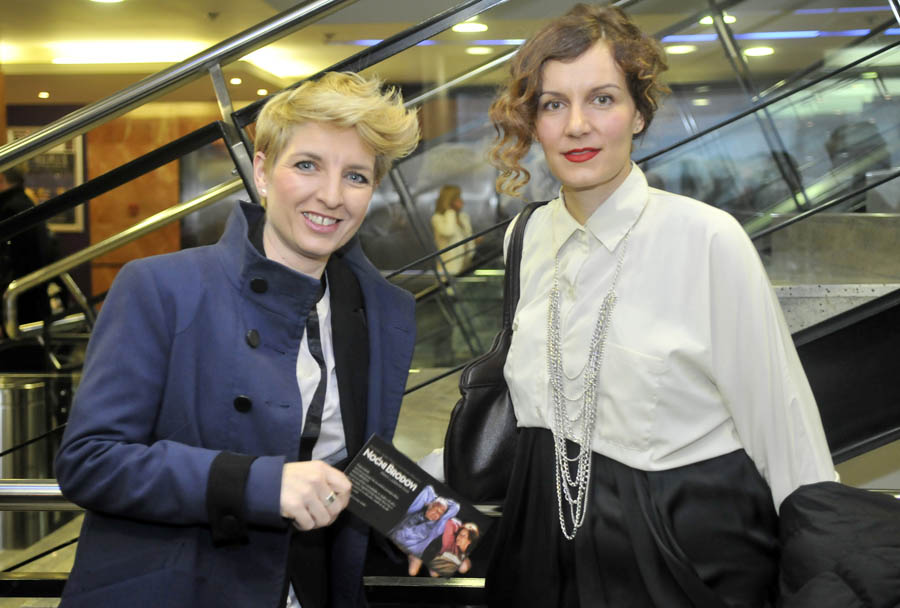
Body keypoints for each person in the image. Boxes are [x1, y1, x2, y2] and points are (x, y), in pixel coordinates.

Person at [483, 5, 835, 607]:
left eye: (602, 99)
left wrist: (827, 570)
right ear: (532, 122)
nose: (576, 126)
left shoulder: (707, 238)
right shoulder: (524, 238)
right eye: (552, 104)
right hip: (541, 536)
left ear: (639, 113)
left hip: (685, 543)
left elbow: (783, 425)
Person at [54, 71, 420, 608]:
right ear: (263, 171)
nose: (332, 195)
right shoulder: (161, 287)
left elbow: (342, 458)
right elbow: (91, 461)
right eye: (307, 165)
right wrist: (259, 484)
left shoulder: (384, 310)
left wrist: (417, 520)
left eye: (357, 177)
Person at [1, 167, 56, 336]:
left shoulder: (8, 209)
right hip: (34, 299)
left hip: (17, 305)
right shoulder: (25, 203)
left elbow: (6, 263)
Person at [387, 484, 459, 558]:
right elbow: (428, 489)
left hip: (405, 555)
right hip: (389, 543)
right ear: (429, 505)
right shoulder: (413, 512)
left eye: (440, 513)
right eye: (436, 509)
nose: (436, 514)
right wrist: (437, 500)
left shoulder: (436, 529)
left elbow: (455, 507)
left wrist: (443, 502)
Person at [430, 184, 474, 275]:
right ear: (449, 201)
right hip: (449, 269)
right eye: (457, 198)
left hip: (466, 265)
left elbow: (468, 238)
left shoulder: (463, 217)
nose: (461, 201)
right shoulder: (438, 218)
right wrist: (450, 211)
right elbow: (449, 232)